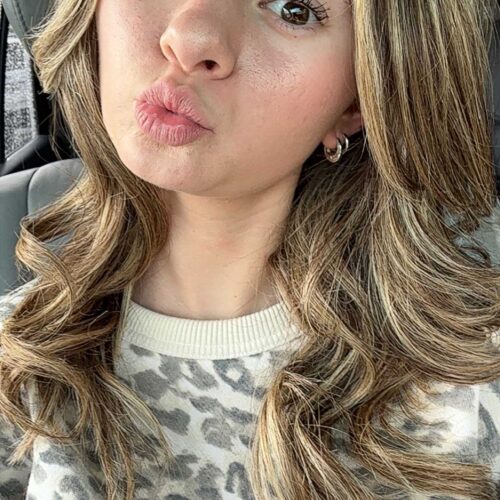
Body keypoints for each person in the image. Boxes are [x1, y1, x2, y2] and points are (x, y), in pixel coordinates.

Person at [1, 0, 499, 498]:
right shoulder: (16, 362)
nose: (187, 38)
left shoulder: (473, 383)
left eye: (294, 9)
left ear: (356, 102)